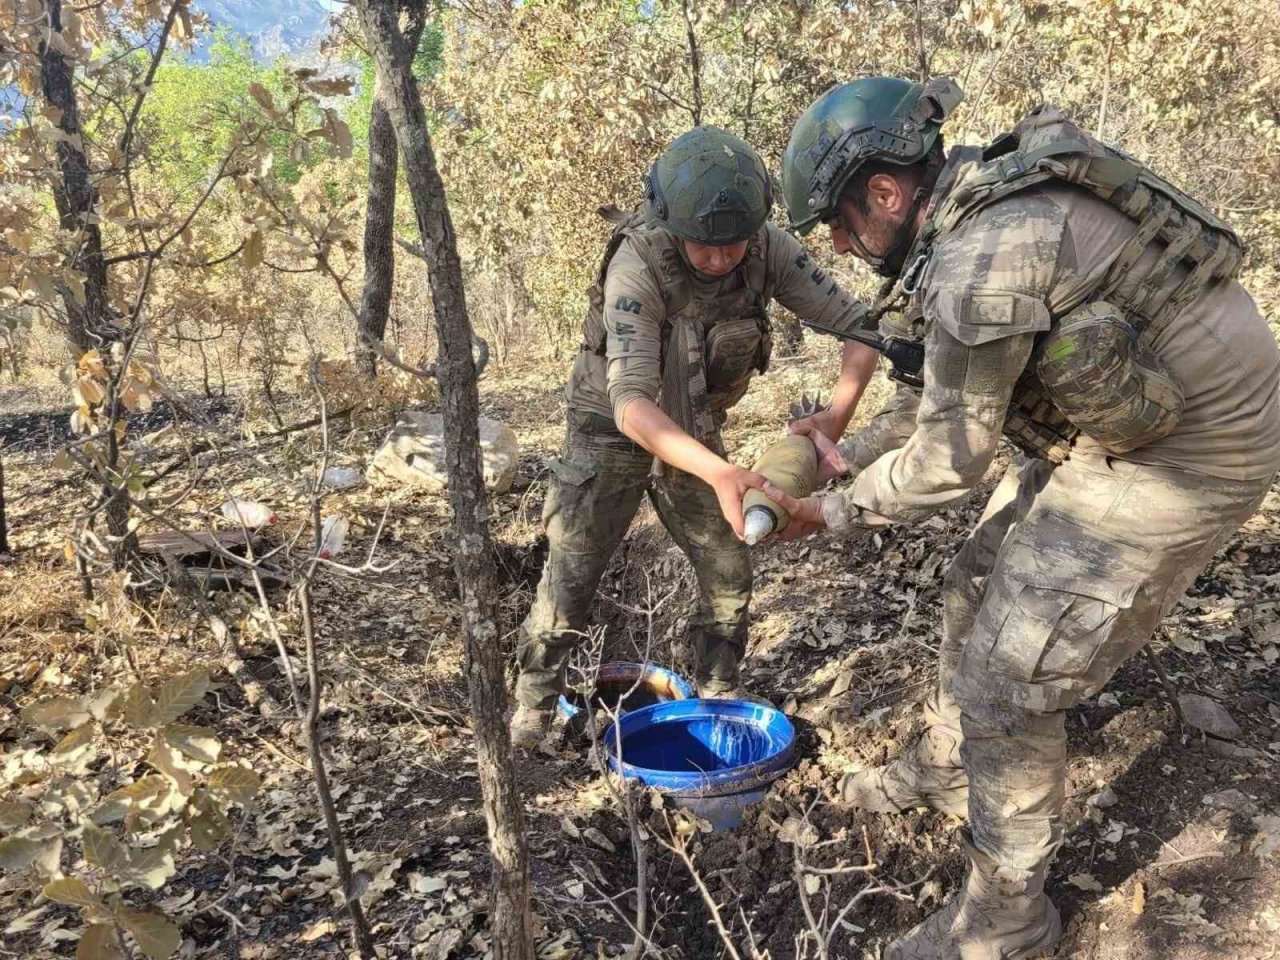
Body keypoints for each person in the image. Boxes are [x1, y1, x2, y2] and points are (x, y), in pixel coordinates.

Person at [770, 76, 1280, 958]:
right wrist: (843, 446)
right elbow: (935, 401)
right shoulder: (967, 206)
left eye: (844, 226)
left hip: (1191, 451)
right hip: (1126, 423)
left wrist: (829, 511)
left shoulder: (983, 257)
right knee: (977, 580)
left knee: (1012, 681)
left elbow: (950, 463)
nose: (845, 248)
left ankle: (1008, 922)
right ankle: (946, 767)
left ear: (886, 192)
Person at [511, 126, 880, 748]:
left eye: (733, 244)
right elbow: (629, 403)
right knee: (573, 574)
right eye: (703, 246)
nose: (719, 259)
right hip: (611, 433)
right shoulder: (639, 262)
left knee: (730, 564)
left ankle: (717, 686)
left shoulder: (769, 250)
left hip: (699, 434)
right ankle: (534, 710)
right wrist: (720, 472)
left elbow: (861, 328)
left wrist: (833, 422)